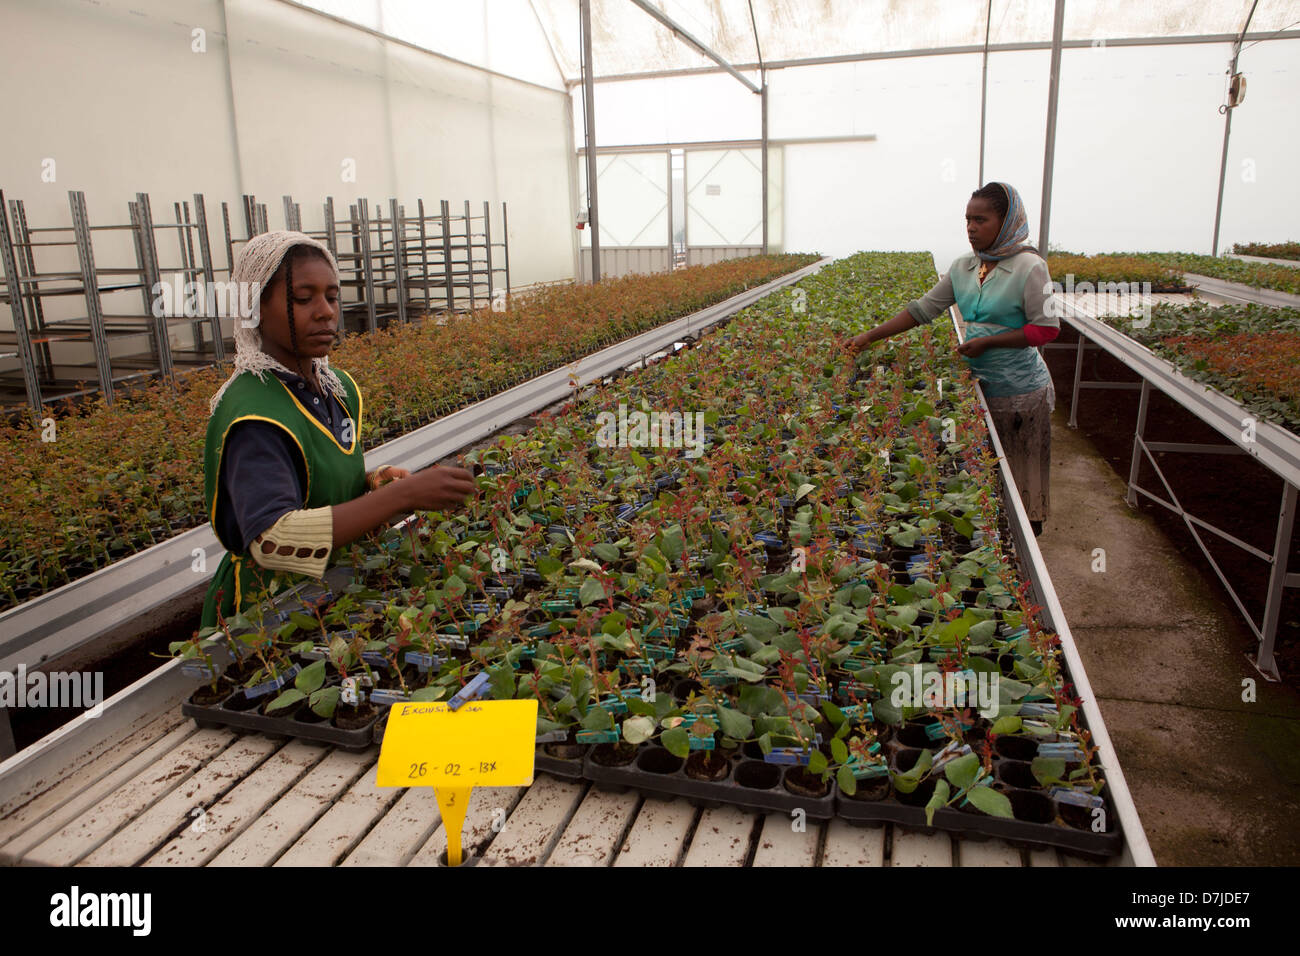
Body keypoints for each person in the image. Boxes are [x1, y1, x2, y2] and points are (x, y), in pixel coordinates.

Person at [201, 230, 476, 627]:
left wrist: (374, 481)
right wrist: (402, 497)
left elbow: (315, 482)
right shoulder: (254, 413)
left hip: (334, 587)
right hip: (272, 613)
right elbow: (274, 541)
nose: (325, 311)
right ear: (254, 307)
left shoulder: (336, 387)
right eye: (302, 298)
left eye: (332, 296)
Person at [846, 182, 1060, 535]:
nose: (972, 228)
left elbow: (1047, 329)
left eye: (982, 220)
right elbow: (922, 310)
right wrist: (869, 337)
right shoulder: (963, 266)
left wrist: (990, 342)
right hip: (977, 385)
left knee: (1025, 477)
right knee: (985, 471)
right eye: (967, 220)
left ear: (1006, 222)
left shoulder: (1031, 267)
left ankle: (1028, 538)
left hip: (1021, 392)